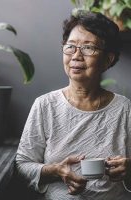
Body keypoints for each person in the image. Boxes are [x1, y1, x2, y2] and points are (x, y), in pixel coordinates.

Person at [15, 10, 131, 200]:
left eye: (88, 48)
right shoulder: (45, 105)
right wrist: (55, 170)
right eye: (71, 46)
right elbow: (22, 164)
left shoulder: (124, 108)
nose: (76, 55)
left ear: (107, 60)